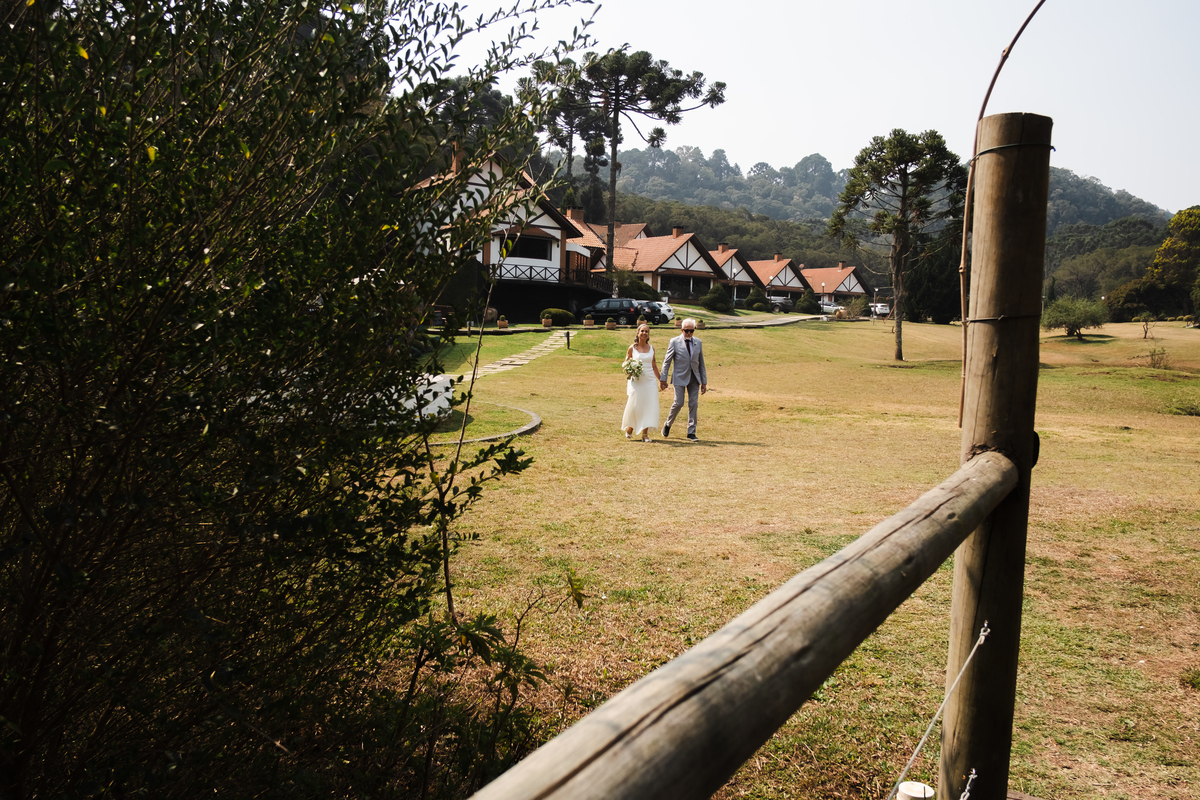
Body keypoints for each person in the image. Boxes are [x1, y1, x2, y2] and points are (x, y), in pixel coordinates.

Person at [659, 318, 707, 441]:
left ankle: (691, 432)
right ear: (682, 330)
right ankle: (668, 424)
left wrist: (704, 382)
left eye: (691, 331)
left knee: (693, 404)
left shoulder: (698, 342)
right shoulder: (674, 342)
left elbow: (701, 363)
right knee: (678, 402)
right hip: (679, 377)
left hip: (694, 378)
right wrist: (663, 378)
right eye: (686, 331)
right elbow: (667, 361)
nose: (689, 333)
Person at [621, 323, 661, 443]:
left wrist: (661, 380)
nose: (644, 333)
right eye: (642, 331)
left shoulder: (651, 348)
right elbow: (626, 364)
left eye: (646, 331)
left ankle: (645, 434)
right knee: (636, 405)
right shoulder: (632, 348)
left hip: (650, 381)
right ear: (638, 333)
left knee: (649, 405)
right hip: (637, 381)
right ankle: (630, 428)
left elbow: (654, 365)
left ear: (648, 335)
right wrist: (630, 371)